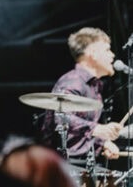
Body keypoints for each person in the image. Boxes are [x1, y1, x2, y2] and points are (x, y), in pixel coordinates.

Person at [40, 27, 122, 161]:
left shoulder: (93, 86)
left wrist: (103, 143)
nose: (112, 55)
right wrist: (97, 129)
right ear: (93, 53)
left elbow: (78, 136)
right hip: (62, 166)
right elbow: (61, 118)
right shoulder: (73, 82)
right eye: (107, 49)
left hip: (81, 164)